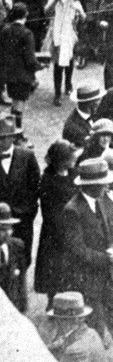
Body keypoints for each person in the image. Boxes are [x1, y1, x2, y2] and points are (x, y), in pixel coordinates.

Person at [63, 156, 113, 362]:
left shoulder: (103, 200)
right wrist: (107, 258)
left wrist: (112, 250)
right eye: (103, 182)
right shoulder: (73, 210)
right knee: (94, 319)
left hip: (106, 271)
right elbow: (77, 250)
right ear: (91, 186)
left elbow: (111, 229)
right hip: (86, 276)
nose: (108, 184)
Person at [34, 139, 79, 307]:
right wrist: (64, 231)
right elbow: (50, 212)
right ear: (60, 160)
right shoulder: (47, 180)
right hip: (55, 233)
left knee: (71, 269)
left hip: (74, 227)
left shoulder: (74, 174)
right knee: (55, 268)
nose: (73, 160)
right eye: (69, 157)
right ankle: (53, 301)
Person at [0, 114, 40, 293]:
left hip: (23, 219)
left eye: (4, 138)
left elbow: (35, 185)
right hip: (1, 221)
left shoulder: (27, 156)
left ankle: (19, 296)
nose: (2, 142)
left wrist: (29, 211)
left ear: (13, 137)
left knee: (22, 258)